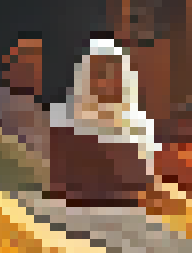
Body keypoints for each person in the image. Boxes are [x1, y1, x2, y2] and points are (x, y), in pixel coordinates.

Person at [46, 39, 158, 208]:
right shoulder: (63, 120)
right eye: (100, 73)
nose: (107, 81)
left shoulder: (139, 124)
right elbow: (60, 183)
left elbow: (142, 184)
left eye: (114, 73)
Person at [0, 35, 52, 165]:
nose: (35, 70)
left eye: (37, 63)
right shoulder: (0, 102)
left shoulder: (40, 111)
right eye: (28, 64)